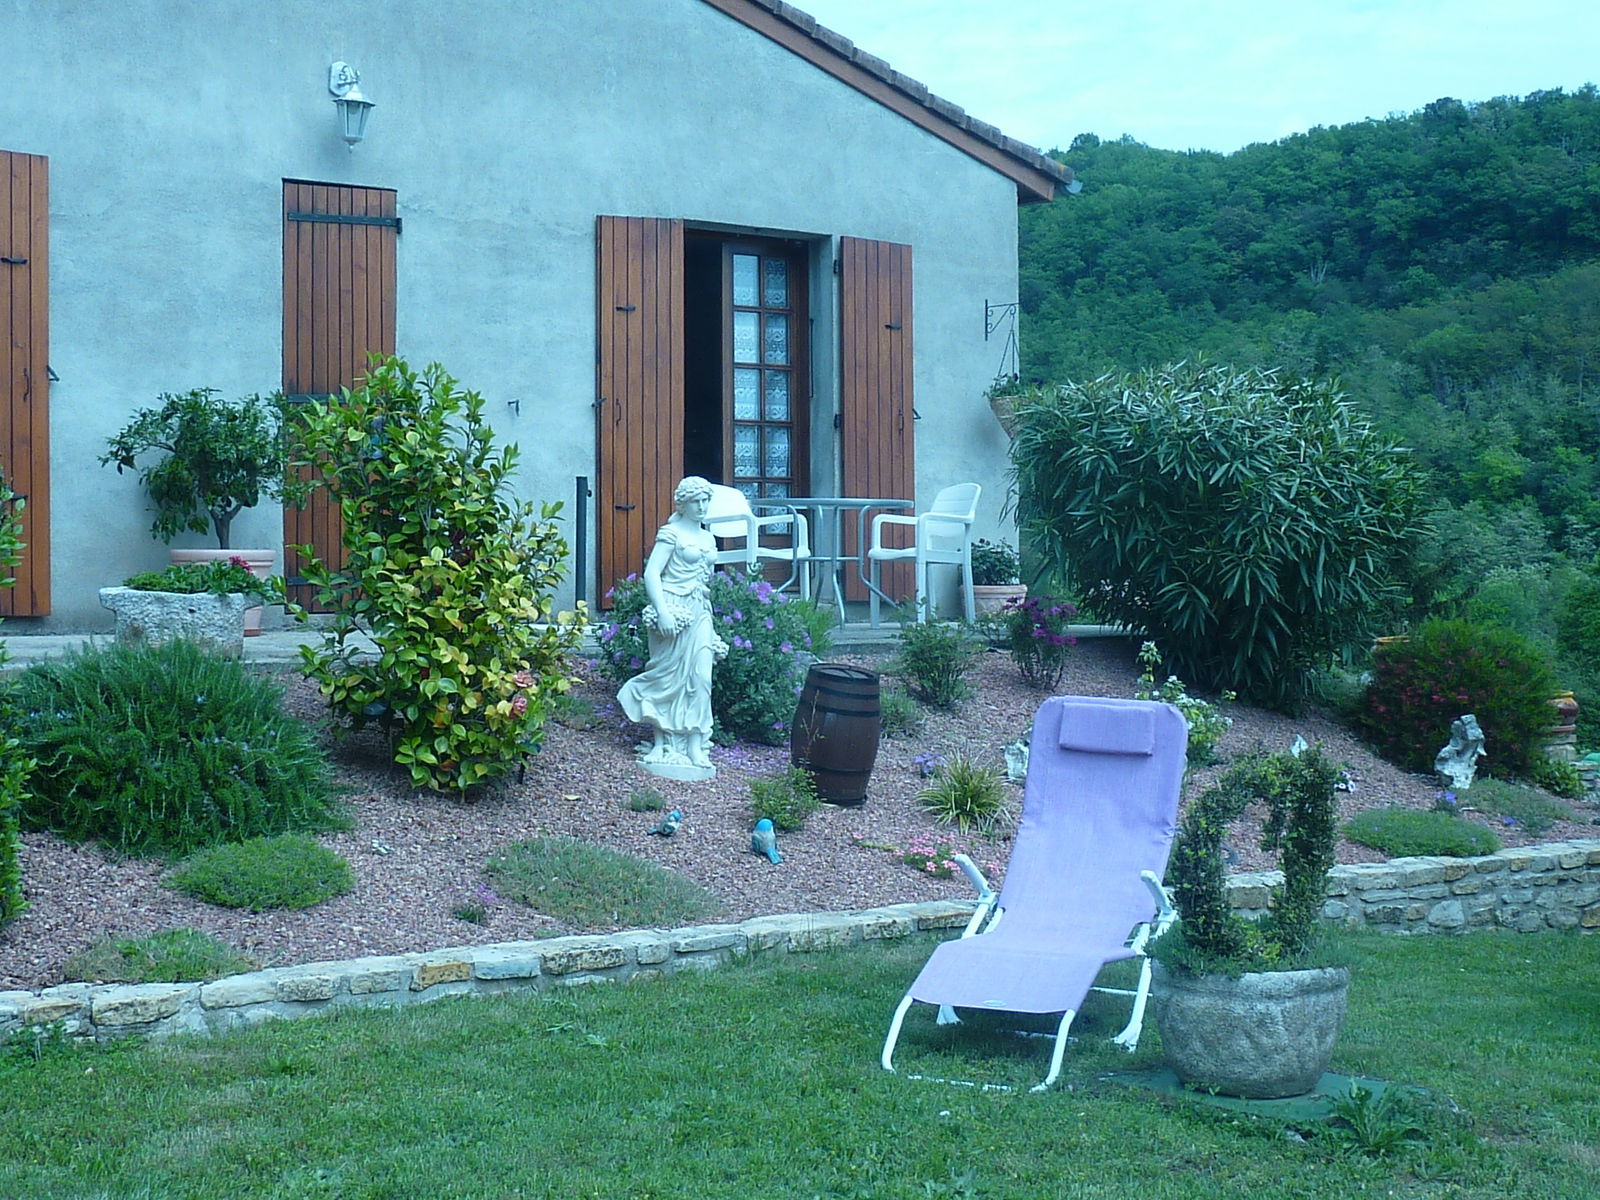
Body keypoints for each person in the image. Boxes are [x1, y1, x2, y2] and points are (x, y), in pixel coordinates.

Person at [618, 476, 729, 777]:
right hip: (672, 607)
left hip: (699, 610)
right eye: (697, 501)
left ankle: (695, 742)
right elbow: (652, 574)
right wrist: (663, 612)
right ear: (683, 503)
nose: (703, 506)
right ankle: (662, 742)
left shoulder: (708, 538)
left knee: (700, 677)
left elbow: (705, 580)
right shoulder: (671, 534)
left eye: (706, 500)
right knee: (667, 678)